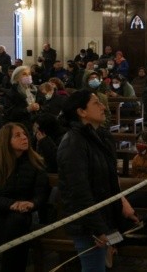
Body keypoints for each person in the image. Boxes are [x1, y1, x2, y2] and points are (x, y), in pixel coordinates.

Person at [57, 89, 139, 271]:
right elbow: (79, 192)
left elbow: (109, 179)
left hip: (104, 215)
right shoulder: (73, 143)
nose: (103, 106)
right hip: (87, 224)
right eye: (96, 103)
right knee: (93, 267)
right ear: (81, 112)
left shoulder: (101, 136)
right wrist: (100, 229)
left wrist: (122, 205)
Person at [0, 123, 49, 272]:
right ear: (5, 140)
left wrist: (31, 204)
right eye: (18, 135)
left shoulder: (35, 162)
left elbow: (41, 194)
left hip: (24, 214)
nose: (24, 137)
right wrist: (11, 204)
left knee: (18, 221)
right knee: (17, 227)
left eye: (24, 134)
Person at [3, 65, 41, 132]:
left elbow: (43, 104)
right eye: (24, 74)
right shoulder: (12, 93)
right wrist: (27, 109)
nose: (28, 76)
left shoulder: (34, 90)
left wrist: (38, 107)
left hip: (35, 123)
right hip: (20, 125)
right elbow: (9, 113)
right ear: (17, 78)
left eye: (29, 74)